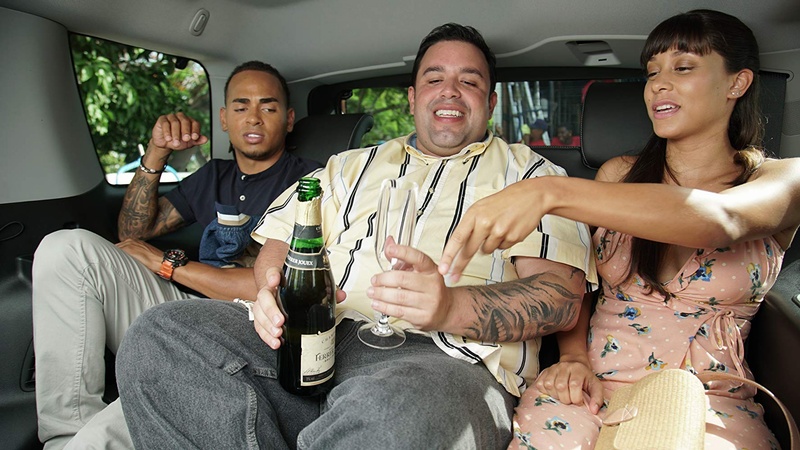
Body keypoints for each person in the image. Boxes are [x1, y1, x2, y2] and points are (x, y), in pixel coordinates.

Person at [115, 23, 598, 449]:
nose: (450, 91)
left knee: (391, 414)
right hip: (314, 335)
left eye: (469, 82)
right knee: (162, 335)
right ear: (412, 97)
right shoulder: (349, 165)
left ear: (490, 103)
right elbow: (279, 240)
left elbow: (559, 299)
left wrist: (450, 307)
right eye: (434, 79)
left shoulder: (533, 177)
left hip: (442, 359)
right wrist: (272, 290)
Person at [437, 10, 800, 449]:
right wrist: (573, 358)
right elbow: (580, 282)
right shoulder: (618, 176)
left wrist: (548, 192)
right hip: (590, 389)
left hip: (710, 399)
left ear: (737, 83)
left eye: (683, 68)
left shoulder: (781, 179)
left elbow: (722, 220)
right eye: (652, 73)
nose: (658, 85)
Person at [31, 61, 321, 449]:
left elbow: (273, 285)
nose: (253, 117)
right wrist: (157, 152)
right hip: (180, 308)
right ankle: (64, 432)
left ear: (288, 119)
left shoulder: (311, 182)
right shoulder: (213, 176)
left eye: (268, 107)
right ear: (224, 118)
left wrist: (165, 264)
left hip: (249, 329)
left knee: (97, 441)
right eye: (241, 106)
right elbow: (132, 235)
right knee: (66, 248)